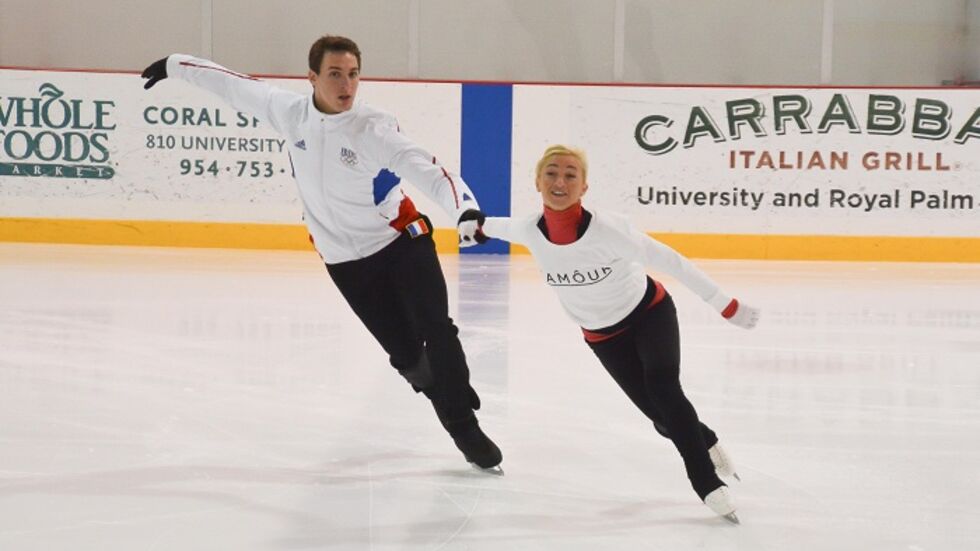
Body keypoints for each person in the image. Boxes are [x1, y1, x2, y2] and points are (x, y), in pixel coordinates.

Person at [140, 36, 502, 472]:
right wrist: (176, 64)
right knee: (408, 357)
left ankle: (463, 426)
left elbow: (432, 173)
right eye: (334, 74)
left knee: (437, 329)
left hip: (400, 241)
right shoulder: (289, 114)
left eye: (353, 74)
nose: (346, 85)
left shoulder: (373, 128)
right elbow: (233, 86)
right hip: (345, 263)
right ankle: (446, 394)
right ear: (312, 77)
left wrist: (464, 210)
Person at [465, 145, 759, 522]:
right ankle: (706, 440)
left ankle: (706, 483)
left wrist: (724, 303)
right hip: (603, 337)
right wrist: (474, 224)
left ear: (584, 187)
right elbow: (489, 225)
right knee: (661, 418)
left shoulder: (610, 230)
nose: (560, 181)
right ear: (537, 182)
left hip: (649, 314)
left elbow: (671, 261)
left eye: (570, 175)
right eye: (551, 173)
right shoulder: (528, 229)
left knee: (665, 389)